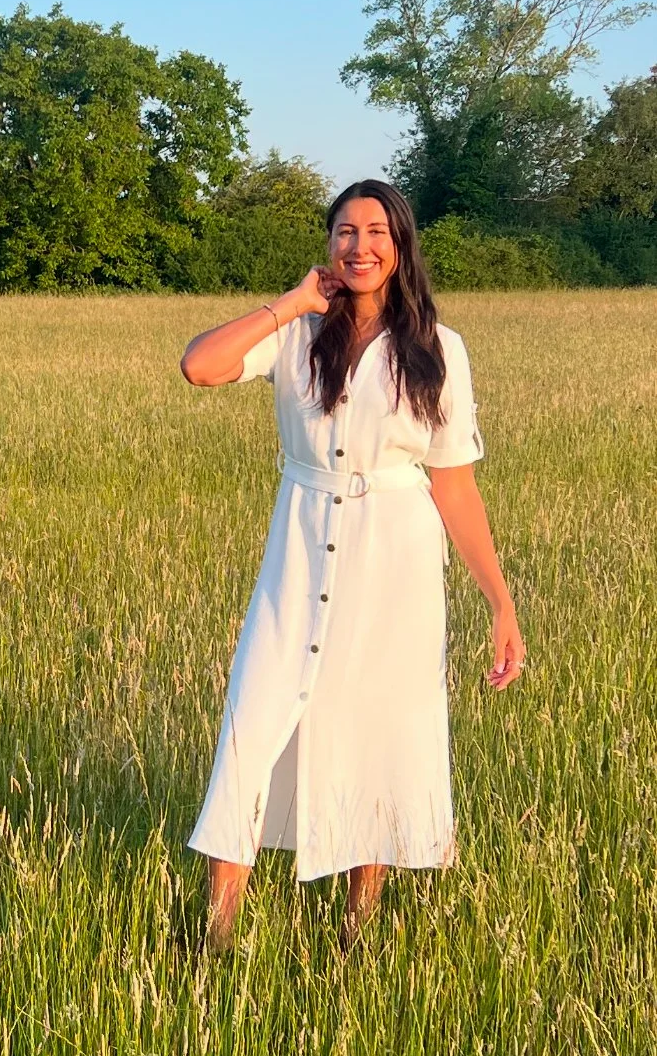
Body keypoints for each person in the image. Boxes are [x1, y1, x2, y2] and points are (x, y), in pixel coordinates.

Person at [180, 179, 525, 955]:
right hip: (298, 550)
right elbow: (199, 366)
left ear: (400, 245)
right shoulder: (299, 334)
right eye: (344, 230)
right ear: (329, 244)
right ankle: (214, 934)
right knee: (254, 720)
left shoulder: (439, 348)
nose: (359, 245)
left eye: (375, 230)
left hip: (396, 559)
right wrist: (290, 302)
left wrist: (500, 602)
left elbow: (455, 482)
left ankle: (356, 930)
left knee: (376, 728)